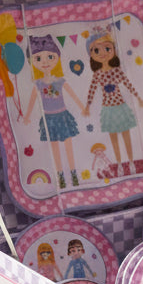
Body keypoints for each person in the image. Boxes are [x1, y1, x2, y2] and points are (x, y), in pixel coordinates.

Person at [21, 34, 87, 189]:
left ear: (57, 58)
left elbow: (72, 94)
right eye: (38, 59)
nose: (44, 62)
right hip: (49, 119)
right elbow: (32, 101)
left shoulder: (60, 81)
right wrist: (28, 116)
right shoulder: (37, 84)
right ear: (32, 62)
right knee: (55, 148)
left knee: (68, 146)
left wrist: (82, 107)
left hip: (62, 115)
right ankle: (60, 176)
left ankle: (73, 173)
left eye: (50, 57)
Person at [84, 25, 143, 173]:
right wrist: (87, 106)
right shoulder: (97, 74)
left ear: (113, 50)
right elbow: (92, 90)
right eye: (96, 50)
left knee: (126, 136)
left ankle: (130, 162)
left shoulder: (117, 71)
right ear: (91, 55)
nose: (103, 53)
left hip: (120, 106)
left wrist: (138, 98)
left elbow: (128, 84)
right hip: (108, 109)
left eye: (107, 48)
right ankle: (118, 164)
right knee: (114, 139)